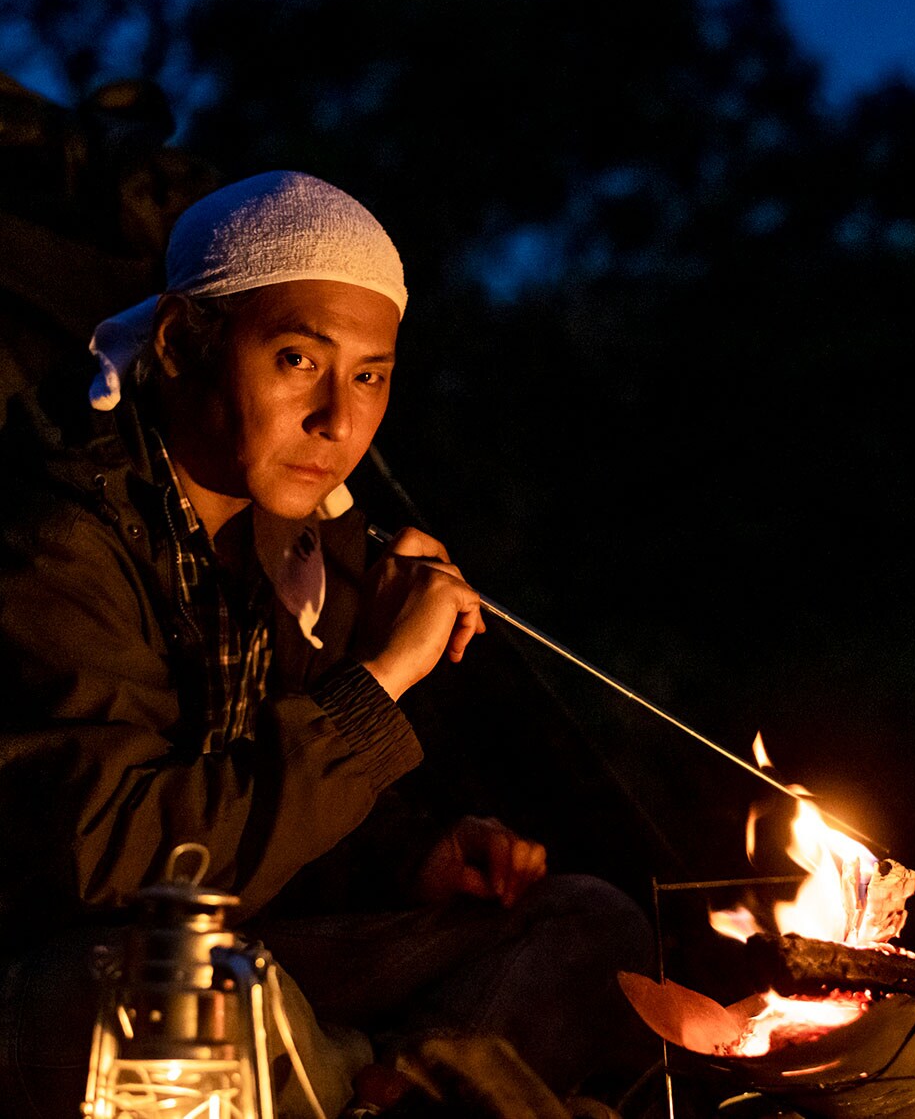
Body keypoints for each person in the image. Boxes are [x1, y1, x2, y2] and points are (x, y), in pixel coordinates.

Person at [0, 171, 657, 1117]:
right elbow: (120, 862)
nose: (338, 421)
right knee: (205, 996)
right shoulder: (60, 536)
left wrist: (408, 854)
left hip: (254, 951)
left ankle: (379, 1083)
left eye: (370, 376)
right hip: (76, 971)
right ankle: (397, 1081)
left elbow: (265, 818)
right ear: (186, 341)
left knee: (589, 923)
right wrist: (381, 680)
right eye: (299, 360)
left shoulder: (305, 543)